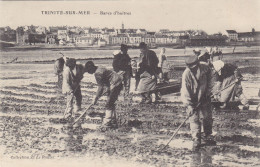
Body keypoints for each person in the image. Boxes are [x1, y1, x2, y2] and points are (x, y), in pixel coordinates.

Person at [181, 55, 215, 151]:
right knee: (194, 118)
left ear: (198, 64)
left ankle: (208, 135)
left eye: (195, 67)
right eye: (191, 68)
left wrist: (208, 93)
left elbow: (211, 80)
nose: (193, 69)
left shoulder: (205, 68)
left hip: (204, 96)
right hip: (192, 98)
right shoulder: (186, 74)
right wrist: (189, 105)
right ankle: (196, 139)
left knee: (207, 116)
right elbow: (185, 91)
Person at [85, 61, 123, 130]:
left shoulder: (98, 73)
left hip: (115, 84)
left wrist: (96, 98)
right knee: (111, 103)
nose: (88, 72)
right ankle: (113, 121)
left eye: (88, 71)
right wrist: (107, 89)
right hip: (117, 82)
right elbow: (106, 80)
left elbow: (100, 87)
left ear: (91, 68)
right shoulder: (100, 67)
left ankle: (107, 123)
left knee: (109, 104)